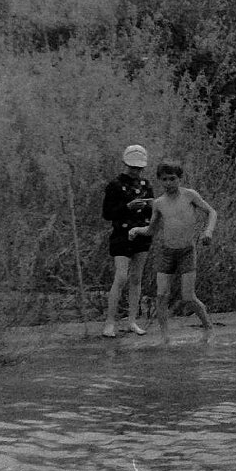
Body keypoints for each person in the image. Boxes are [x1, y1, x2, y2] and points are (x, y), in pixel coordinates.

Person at [129, 162, 217, 343]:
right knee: (161, 295)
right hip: (167, 251)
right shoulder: (159, 203)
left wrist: (208, 231)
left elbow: (211, 212)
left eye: (172, 179)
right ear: (160, 181)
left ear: (179, 179)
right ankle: (165, 337)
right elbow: (151, 229)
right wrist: (137, 229)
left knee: (188, 297)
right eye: (165, 179)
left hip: (186, 250)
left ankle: (208, 326)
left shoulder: (189, 195)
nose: (169, 183)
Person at [101, 144, 154, 338]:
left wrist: (148, 206)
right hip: (121, 236)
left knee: (136, 278)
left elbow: (153, 211)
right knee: (121, 277)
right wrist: (128, 207)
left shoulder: (146, 185)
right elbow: (107, 213)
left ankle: (132, 320)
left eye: (139, 168)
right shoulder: (114, 185)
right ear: (125, 164)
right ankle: (110, 321)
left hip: (142, 234)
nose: (135, 171)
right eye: (133, 167)